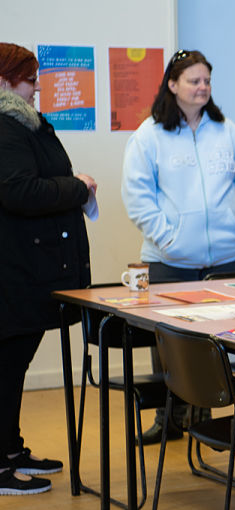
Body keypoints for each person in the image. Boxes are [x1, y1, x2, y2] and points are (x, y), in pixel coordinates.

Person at [122, 49, 235, 444]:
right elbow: (137, 197)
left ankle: (206, 417)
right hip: (170, 261)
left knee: (220, 339)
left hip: (227, 257)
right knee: (169, 344)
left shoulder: (227, 131)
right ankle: (168, 420)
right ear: (173, 85)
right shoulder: (149, 136)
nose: (202, 88)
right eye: (194, 81)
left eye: (207, 81)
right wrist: (169, 238)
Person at [0, 42, 96, 495]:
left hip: (29, 269)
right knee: (6, 365)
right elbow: (19, 192)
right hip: (14, 272)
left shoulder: (23, 124)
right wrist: (75, 187)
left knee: (13, 366)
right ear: (4, 81)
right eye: (29, 78)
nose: (36, 86)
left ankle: (10, 448)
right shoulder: (5, 128)